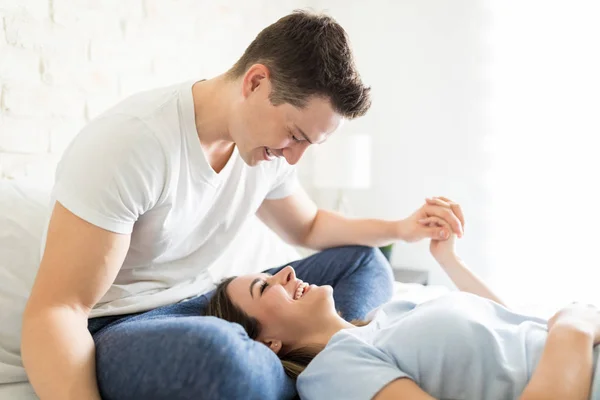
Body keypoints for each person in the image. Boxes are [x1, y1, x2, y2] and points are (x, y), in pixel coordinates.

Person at [19, 10, 466, 400]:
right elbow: (59, 310)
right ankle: (330, 369)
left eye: (309, 143)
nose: (293, 156)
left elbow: (307, 228)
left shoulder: (263, 149)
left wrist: (401, 229)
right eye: (295, 134)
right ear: (256, 82)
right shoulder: (133, 145)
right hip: (127, 327)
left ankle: (312, 364)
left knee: (365, 263)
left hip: (213, 299)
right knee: (224, 359)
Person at [206, 202, 600, 400]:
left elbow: (507, 324)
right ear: (268, 343)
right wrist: (573, 329)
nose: (287, 272)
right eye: (265, 286)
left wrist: (447, 259)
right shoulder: (333, 372)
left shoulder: (384, 317)